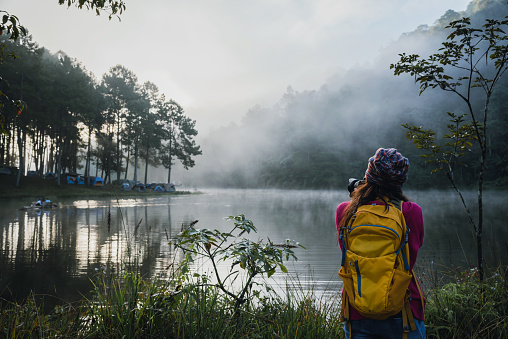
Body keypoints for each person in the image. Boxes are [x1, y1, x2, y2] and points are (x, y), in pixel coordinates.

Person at [336, 148, 426, 339]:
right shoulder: (411, 211)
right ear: (400, 182)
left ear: (369, 175)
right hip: (403, 309)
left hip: (356, 309)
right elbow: (412, 256)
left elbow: (346, 251)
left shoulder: (345, 211)